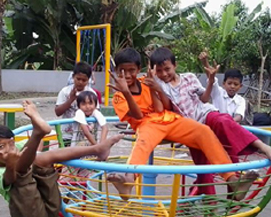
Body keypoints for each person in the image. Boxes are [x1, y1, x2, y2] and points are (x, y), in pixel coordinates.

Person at [107, 48, 252, 200]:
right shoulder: (118, 96)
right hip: (147, 125)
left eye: (131, 70)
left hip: (169, 118)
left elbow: (160, 108)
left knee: (204, 131)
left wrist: (153, 89)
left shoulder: (146, 81)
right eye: (122, 71)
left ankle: (232, 179)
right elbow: (137, 115)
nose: (127, 75)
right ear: (116, 71)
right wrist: (126, 93)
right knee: (143, 142)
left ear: (138, 69)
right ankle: (129, 180)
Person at [150, 48, 271, 198]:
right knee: (203, 167)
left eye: (167, 69)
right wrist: (156, 86)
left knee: (224, 121)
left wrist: (211, 80)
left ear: (175, 65)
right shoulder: (159, 85)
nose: (164, 74)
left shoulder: (189, 78)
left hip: (205, 114)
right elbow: (165, 108)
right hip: (191, 128)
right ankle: (212, 203)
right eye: (159, 71)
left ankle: (264, 148)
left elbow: (205, 99)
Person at [0, 100, 122, 217]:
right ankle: (39, 131)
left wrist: (36, 130)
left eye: (11, 143)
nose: (9, 149)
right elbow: (11, 177)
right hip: (31, 212)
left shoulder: (14, 149)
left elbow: (35, 147)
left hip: (50, 199)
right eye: (1, 147)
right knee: (22, 169)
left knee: (41, 157)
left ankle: (96, 149)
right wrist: (14, 161)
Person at [55, 63, 103, 143]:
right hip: (67, 134)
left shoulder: (91, 93)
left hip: (86, 136)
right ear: (73, 76)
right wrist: (71, 100)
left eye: (84, 80)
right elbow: (57, 112)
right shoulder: (65, 92)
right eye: (78, 79)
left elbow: (96, 111)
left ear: (88, 79)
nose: (80, 82)